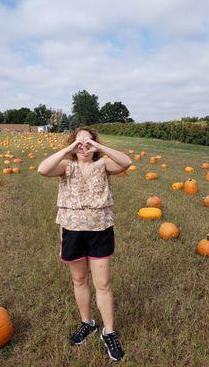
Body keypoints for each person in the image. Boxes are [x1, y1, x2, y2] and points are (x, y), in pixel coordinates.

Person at [38, 126, 132, 362]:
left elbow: (126, 162)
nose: (84, 147)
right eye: (79, 143)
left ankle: (108, 331)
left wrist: (98, 146)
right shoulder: (65, 167)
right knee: (79, 280)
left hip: (100, 230)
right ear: (73, 145)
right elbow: (42, 169)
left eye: (88, 142)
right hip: (72, 231)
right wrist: (69, 148)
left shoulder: (103, 166)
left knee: (103, 284)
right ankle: (87, 323)